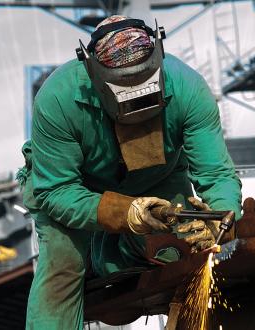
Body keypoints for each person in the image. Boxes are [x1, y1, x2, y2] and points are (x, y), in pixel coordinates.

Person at [19, 15, 242, 329]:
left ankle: (110, 257)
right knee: (64, 264)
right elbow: (57, 191)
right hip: (72, 188)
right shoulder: (57, 99)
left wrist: (222, 218)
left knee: (182, 252)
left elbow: (216, 174)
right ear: (95, 75)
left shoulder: (188, 87)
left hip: (158, 177)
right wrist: (127, 211)